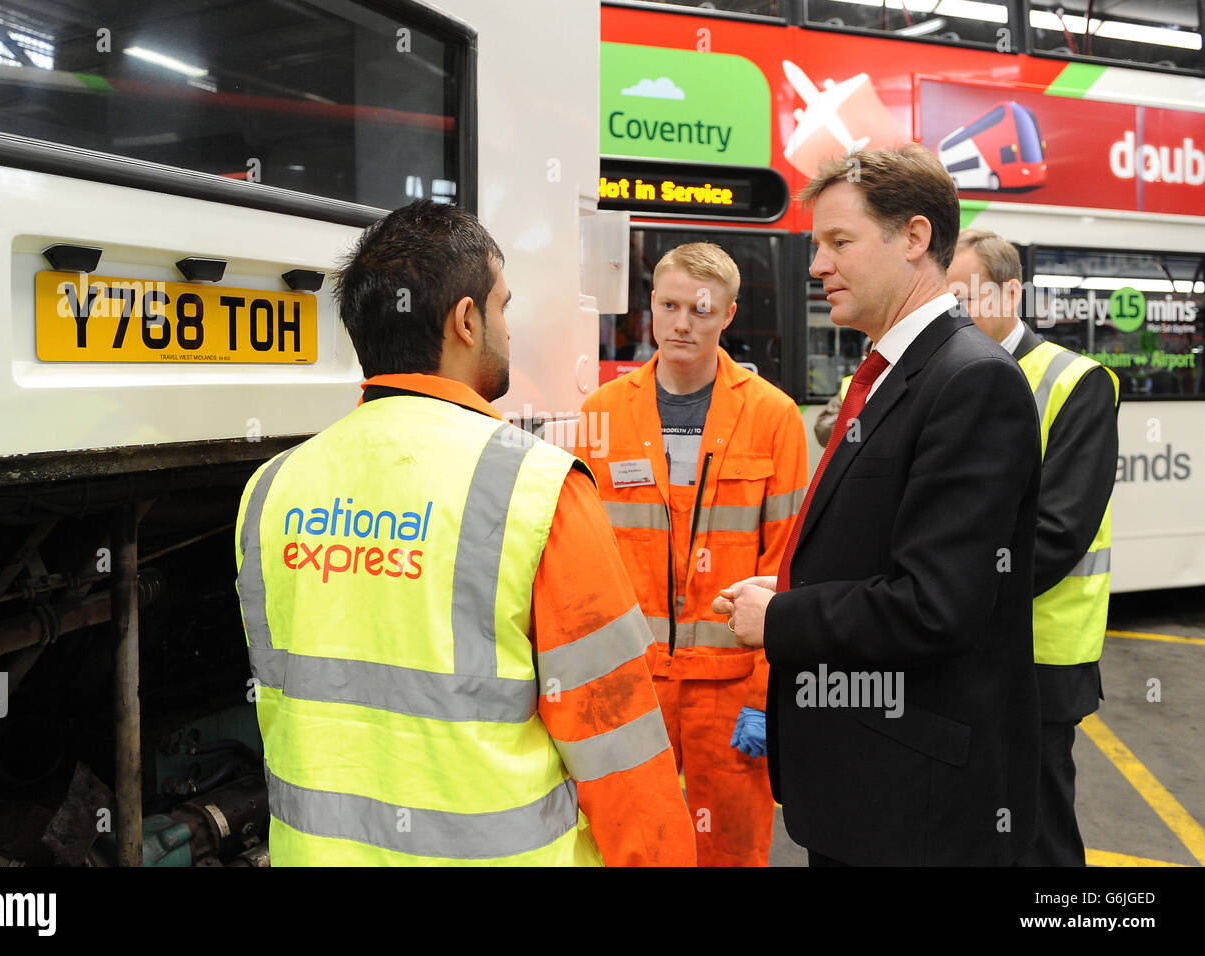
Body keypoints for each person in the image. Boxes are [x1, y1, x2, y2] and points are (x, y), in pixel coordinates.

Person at [234, 199, 696, 867]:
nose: (508, 329)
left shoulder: (271, 489)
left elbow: (282, 705)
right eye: (503, 307)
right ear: (467, 319)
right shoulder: (538, 488)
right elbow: (613, 733)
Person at [715, 144, 1042, 866]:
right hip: (867, 789)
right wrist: (794, 589)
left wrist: (783, 617)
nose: (816, 266)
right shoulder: (895, 374)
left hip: (913, 809)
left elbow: (937, 605)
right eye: (816, 245)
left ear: (915, 239)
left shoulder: (970, 383)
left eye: (839, 241)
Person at [574, 242, 808, 866]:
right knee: (625, 847)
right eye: (670, 305)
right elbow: (580, 565)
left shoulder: (773, 417)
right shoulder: (601, 414)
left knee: (729, 847)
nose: (683, 323)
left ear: (728, 314)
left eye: (701, 310)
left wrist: (765, 698)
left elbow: (789, 569)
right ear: (649, 305)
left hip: (729, 687)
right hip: (631, 680)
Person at [947, 228, 1119, 867]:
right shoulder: (950, 373)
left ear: (1010, 292)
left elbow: (1059, 533)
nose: (954, 310)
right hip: (960, 644)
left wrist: (949, 598)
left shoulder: (1077, 383)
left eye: (965, 295)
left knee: (1039, 833)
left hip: (1040, 654)